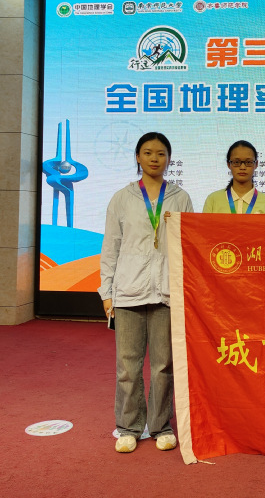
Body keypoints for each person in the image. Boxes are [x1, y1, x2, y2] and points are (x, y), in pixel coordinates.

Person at [98, 132, 194, 454]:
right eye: (148, 152)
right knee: (128, 366)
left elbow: (188, 247)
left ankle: (161, 426)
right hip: (128, 292)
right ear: (138, 157)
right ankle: (128, 427)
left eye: (161, 153)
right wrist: (107, 293)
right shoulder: (122, 198)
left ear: (169, 158)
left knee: (164, 365)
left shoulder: (180, 197)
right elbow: (110, 247)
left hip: (167, 293)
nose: (155, 158)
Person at [203, 140, 265, 214]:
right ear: (228, 164)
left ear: (256, 164)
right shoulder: (213, 200)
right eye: (236, 162)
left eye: (248, 162)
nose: (242, 167)